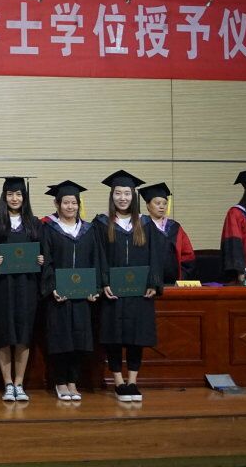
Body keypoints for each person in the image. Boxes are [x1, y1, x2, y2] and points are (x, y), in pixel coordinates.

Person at [93, 170, 163, 403]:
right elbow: (99, 255)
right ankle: (118, 382)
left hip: (139, 291)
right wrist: (103, 282)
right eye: (118, 193)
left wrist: (153, 282)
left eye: (127, 193)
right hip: (113, 290)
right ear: (112, 196)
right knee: (113, 336)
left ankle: (132, 381)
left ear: (133, 196)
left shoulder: (146, 223)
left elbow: (155, 255)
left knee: (136, 336)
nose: (122, 198)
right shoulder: (102, 223)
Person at [0, 176, 42, 403]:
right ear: (4, 197)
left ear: (24, 197)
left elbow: (44, 253)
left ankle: (19, 383)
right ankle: (7, 383)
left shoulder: (34, 224)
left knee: (23, 335)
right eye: (10, 194)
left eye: (18, 194)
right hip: (2, 288)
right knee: (4, 334)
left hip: (27, 287)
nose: (14, 198)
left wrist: (41, 260)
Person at [40, 181, 101, 402]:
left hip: (82, 296)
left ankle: (73, 381)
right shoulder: (49, 229)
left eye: (74, 203)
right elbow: (46, 261)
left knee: (79, 339)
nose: (70, 207)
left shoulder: (89, 230)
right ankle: (60, 382)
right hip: (59, 295)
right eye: (66, 202)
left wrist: (95, 288)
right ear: (57, 204)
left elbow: (96, 260)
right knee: (60, 339)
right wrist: (52, 288)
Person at [139, 182, 196, 283]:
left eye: (165, 203)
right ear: (148, 205)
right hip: (147, 283)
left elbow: (188, 255)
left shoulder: (175, 227)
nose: (162, 207)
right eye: (157, 203)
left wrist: (182, 277)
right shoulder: (140, 226)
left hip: (173, 282)